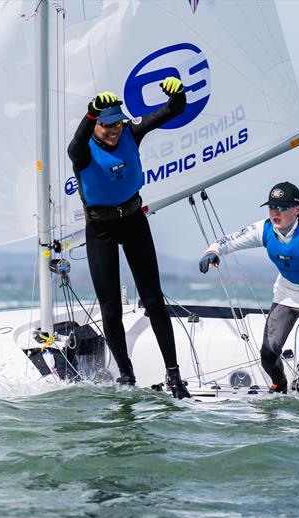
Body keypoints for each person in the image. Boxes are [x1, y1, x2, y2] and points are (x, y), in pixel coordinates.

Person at [67, 77, 190, 399]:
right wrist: (91, 112)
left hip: (134, 221)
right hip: (101, 230)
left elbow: (173, 110)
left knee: (154, 300)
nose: (114, 130)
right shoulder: (83, 152)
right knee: (110, 308)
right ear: (96, 124)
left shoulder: (131, 134)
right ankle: (125, 374)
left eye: (118, 124)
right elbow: (73, 144)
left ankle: (174, 375)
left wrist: (178, 95)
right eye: (107, 125)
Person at [198, 182, 299, 395]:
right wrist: (211, 252)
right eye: (271, 208)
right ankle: (280, 385)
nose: (275, 213)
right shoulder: (264, 228)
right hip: (286, 293)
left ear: (297, 210)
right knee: (268, 355)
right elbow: (229, 241)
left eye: (282, 208)